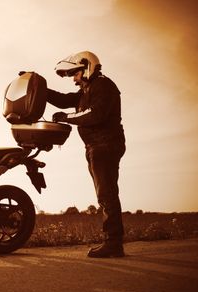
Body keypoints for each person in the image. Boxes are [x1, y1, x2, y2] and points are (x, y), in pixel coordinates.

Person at [47, 51, 126, 258]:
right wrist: (38, 88)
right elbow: (63, 99)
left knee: (106, 194)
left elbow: (95, 114)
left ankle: (113, 244)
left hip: (105, 145)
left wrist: (67, 117)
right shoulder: (86, 90)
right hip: (96, 146)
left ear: (86, 66)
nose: (73, 79)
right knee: (106, 194)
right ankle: (113, 242)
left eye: (75, 73)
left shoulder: (103, 86)